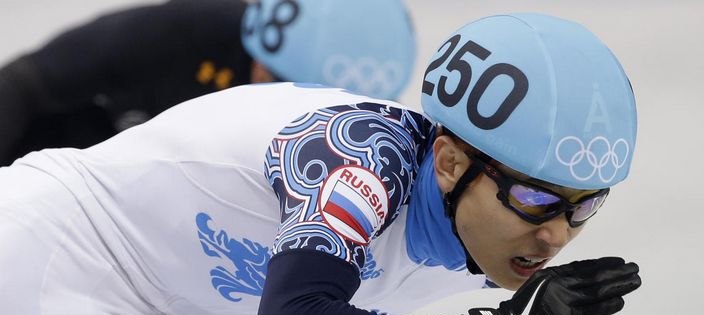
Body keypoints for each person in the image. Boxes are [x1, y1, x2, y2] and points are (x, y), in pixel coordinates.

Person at [0, 13, 641, 315]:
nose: (556, 233)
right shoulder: (363, 154)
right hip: (33, 251)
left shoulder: (490, 236)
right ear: (449, 163)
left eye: (585, 205)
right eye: (535, 199)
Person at [0, 0, 416, 166]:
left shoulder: (355, 139)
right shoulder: (188, 33)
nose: (276, 105)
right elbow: (22, 83)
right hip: (58, 154)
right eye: (271, 81)